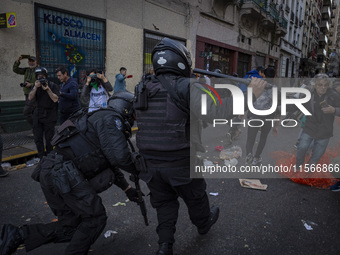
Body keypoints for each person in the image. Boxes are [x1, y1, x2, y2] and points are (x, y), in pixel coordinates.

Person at [134, 38, 267, 255]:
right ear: (181, 61)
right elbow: (216, 112)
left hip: (149, 164)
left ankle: (164, 246)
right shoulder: (187, 85)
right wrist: (250, 94)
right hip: (180, 161)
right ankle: (204, 224)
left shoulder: (143, 87)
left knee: (165, 204)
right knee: (196, 196)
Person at [0, 91, 140, 255]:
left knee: (71, 227)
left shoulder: (97, 117)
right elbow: (120, 157)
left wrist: (127, 189)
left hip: (51, 173)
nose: (136, 117)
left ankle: (17, 235)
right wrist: (144, 171)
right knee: (95, 218)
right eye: (135, 112)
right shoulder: (110, 119)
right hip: (63, 175)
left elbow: (109, 161)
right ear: (126, 110)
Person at [295, 73, 340, 169]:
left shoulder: (334, 95)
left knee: (317, 155)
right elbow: (296, 105)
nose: (323, 88)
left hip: (325, 131)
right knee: (302, 147)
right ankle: (298, 165)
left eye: (325, 85)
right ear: (314, 85)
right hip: (309, 128)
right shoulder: (309, 94)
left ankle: (309, 170)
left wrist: (334, 110)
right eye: (320, 85)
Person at [244, 67, 279, 165]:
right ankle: (257, 157)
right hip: (268, 116)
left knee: (251, 137)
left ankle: (248, 154)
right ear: (274, 76)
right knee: (263, 137)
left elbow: (248, 98)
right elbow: (278, 108)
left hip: (255, 114)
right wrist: (276, 125)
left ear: (263, 74)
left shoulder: (257, 85)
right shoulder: (275, 89)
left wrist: (241, 112)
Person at [226, 66, 265, 144]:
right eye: (263, 73)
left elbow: (239, 85)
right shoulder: (258, 78)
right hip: (247, 96)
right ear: (260, 72)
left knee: (239, 114)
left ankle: (235, 131)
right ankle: (232, 130)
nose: (263, 75)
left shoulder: (247, 75)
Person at [28, 67, 59, 159]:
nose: (40, 78)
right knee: (38, 138)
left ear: (46, 76)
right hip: (38, 114)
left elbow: (55, 99)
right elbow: (30, 98)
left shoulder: (53, 85)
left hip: (50, 114)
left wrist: (47, 89)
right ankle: (41, 157)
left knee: (49, 139)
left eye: (42, 76)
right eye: (38, 76)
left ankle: (49, 157)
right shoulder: (36, 86)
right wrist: (35, 87)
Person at [12, 55, 38, 126]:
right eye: (30, 61)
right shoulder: (27, 70)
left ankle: (36, 128)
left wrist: (31, 84)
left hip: (35, 94)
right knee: (31, 112)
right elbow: (15, 69)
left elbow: (41, 82)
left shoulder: (39, 70)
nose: (31, 63)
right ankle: (36, 129)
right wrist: (18, 61)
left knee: (28, 112)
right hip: (27, 93)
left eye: (33, 61)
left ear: (36, 62)